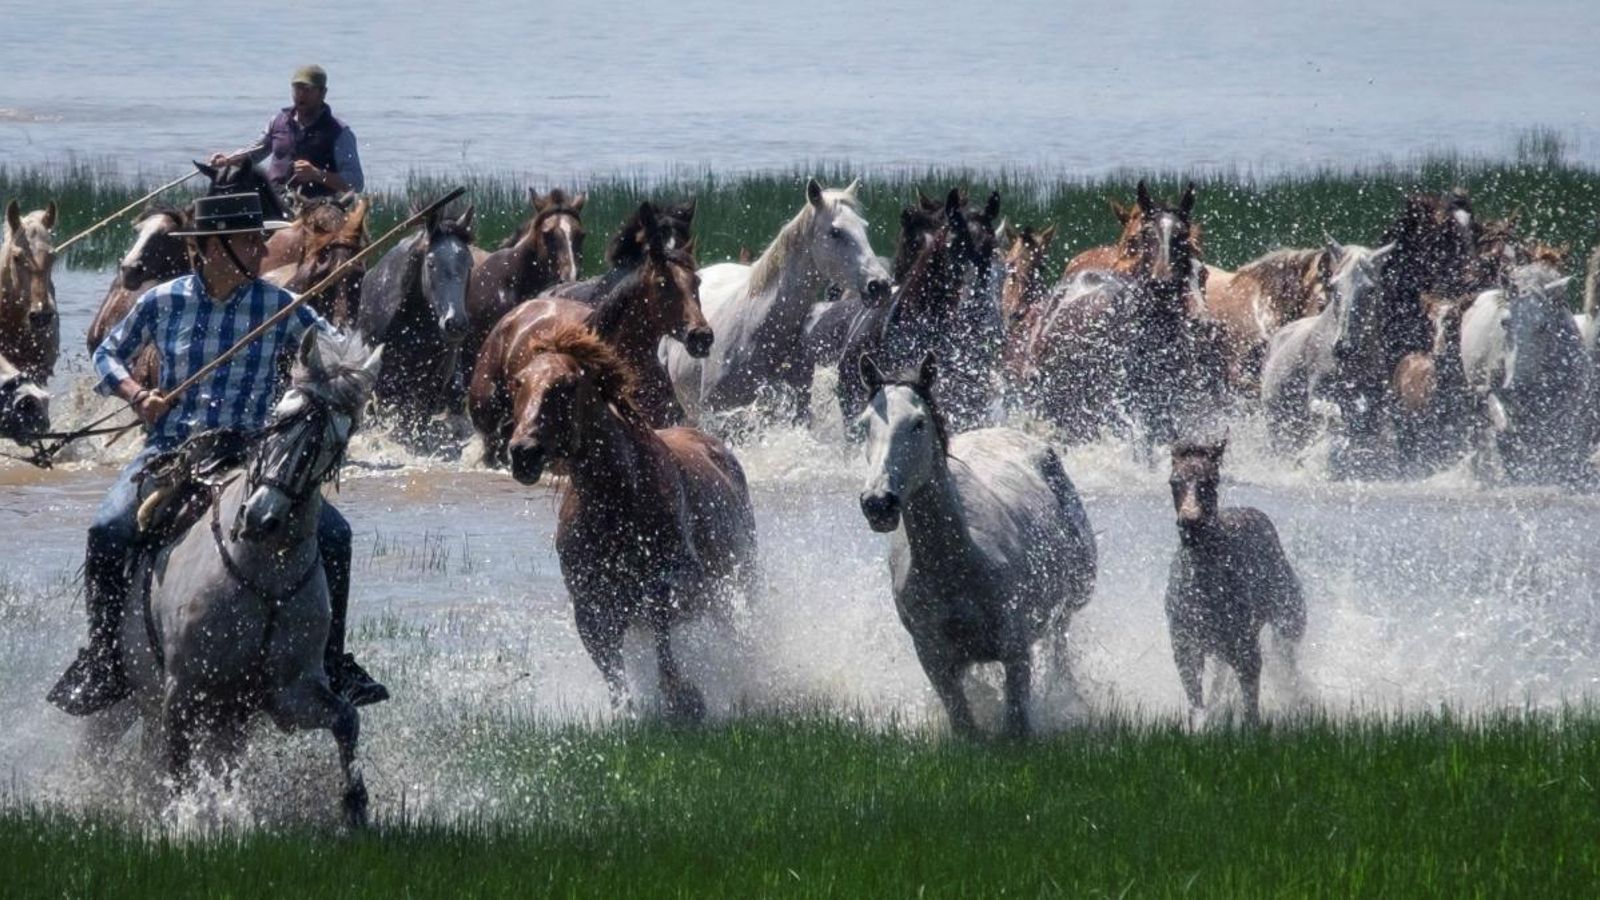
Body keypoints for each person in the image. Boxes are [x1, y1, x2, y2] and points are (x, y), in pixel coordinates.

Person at [48, 192, 387, 715]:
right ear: (211, 247)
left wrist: (350, 373)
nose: (262, 250)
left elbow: (339, 352)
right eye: (250, 241)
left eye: (259, 239)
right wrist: (137, 396)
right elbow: (107, 352)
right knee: (108, 528)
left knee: (336, 535)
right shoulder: (163, 301)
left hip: (253, 457)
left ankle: (333, 663)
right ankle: (104, 659)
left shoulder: (279, 306)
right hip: (173, 451)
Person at [209, 65, 364, 200]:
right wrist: (228, 161)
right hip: (275, 202)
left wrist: (316, 174)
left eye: (307, 90)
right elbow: (254, 154)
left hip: (317, 208)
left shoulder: (339, 132)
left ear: (323, 93)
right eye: (297, 89)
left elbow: (356, 183)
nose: (301, 95)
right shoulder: (278, 122)